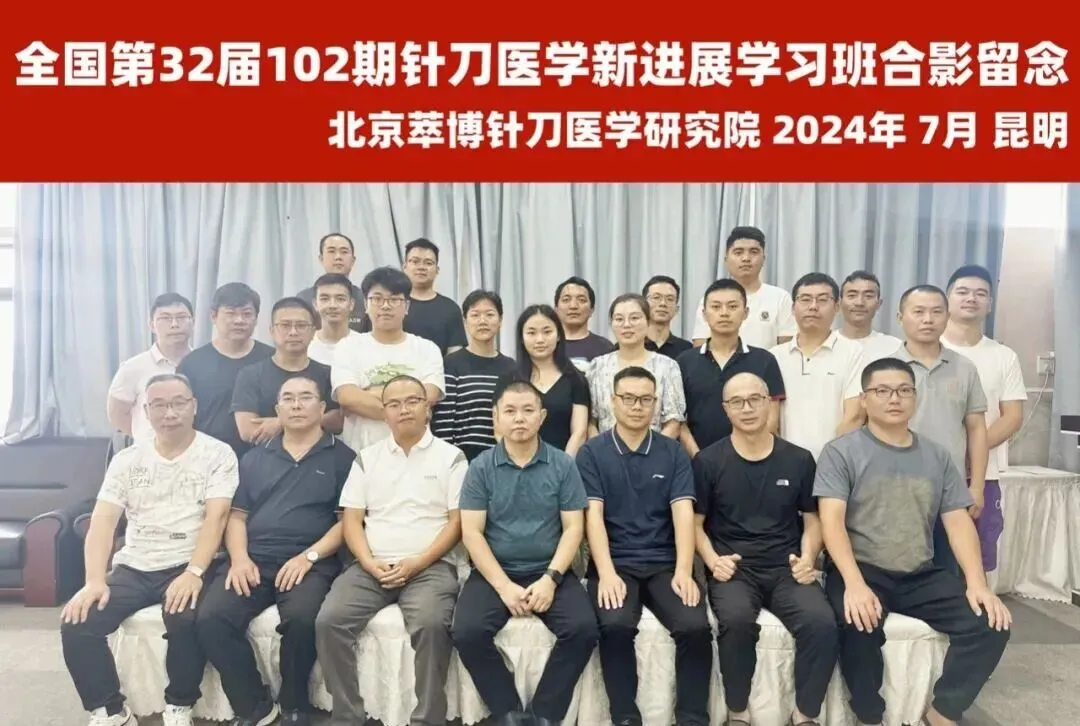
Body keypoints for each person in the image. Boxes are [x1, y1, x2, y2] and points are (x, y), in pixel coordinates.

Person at [815, 357, 1011, 726]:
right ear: (864, 399)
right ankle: (869, 716)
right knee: (858, 625)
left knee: (990, 623)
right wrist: (854, 584)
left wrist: (977, 584)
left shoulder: (937, 455)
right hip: (862, 569)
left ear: (915, 398)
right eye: (883, 391)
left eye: (904, 390)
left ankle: (942, 712)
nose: (894, 398)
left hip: (919, 572)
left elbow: (958, 523)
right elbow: (832, 523)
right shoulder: (840, 452)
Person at [62, 373, 237, 726]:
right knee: (78, 621)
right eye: (159, 405)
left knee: (184, 618)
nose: (169, 413)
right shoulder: (127, 460)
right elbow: (103, 522)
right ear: (145, 411)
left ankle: (179, 704)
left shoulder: (217, 454)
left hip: (190, 561)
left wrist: (194, 572)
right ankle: (109, 709)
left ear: (194, 406)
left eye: (178, 403)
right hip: (135, 564)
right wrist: (94, 580)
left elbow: (217, 518)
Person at [196, 376, 355, 726]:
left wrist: (309, 557)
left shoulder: (343, 458)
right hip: (254, 558)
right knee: (211, 618)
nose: (296, 405)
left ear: (322, 408)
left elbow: (348, 522)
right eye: (288, 398)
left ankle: (294, 702)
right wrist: (239, 559)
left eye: (306, 397)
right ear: (277, 409)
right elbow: (236, 517)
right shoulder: (254, 458)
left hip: (311, 561)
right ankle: (254, 705)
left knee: (302, 620)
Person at [316, 375, 467, 726]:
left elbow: (457, 523)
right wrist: (368, 562)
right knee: (329, 621)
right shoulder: (366, 459)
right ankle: (347, 716)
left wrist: (418, 562)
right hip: (372, 565)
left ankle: (428, 719)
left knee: (431, 624)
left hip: (430, 565)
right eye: (394, 404)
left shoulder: (451, 458)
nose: (404, 409)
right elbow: (352, 520)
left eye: (412, 401)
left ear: (428, 408)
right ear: (384, 413)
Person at [452, 380, 599, 726]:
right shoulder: (481, 467)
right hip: (495, 572)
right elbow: (471, 533)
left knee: (583, 630)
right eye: (510, 411)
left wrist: (550, 579)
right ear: (496, 418)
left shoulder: (562, 465)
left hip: (550, 570)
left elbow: (573, 529)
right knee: (467, 632)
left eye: (528, 410)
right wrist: (503, 586)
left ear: (542, 416)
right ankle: (508, 712)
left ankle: (544, 714)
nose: (519, 418)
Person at [693, 372, 836, 726]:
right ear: (726, 409)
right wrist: (712, 560)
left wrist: (808, 558)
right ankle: (737, 711)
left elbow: (813, 519)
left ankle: (805, 714)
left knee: (821, 623)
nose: (747, 408)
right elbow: (693, 524)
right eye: (737, 402)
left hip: (787, 567)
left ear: (770, 402)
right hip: (734, 569)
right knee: (736, 622)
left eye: (755, 399)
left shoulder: (799, 459)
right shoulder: (708, 461)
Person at [579, 367, 710, 726]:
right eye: (629, 398)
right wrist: (606, 573)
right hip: (616, 563)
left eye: (646, 399)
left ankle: (692, 718)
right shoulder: (592, 453)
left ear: (655, 403)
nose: (637, 406)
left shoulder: (673, 452)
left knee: (695, 627)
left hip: (665, 563)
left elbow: (683, 515)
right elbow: (593, 518)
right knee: (615, 625)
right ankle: (625, 716)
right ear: (613, 401)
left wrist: (684, 571)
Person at [894, 285, 988, 576]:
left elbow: (977, 429)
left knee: (950, 573)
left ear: (947, 317)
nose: (928, 319)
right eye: (918, 312)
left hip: (950, 492)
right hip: (896, 488)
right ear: (900, 317)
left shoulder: (965, 368)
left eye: (936, 312)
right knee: (900, 573)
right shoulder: (886, 369)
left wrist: (977, 486)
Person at [942, 264, 1027, 573]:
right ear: (948, 298)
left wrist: (972, 452)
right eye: (962, 292)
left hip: (982, 476)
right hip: (930, 471)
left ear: (989, 304)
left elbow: (1012, 416)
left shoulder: (1003, 356)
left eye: (980, 294)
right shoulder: (927, 349)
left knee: (978, 559)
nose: (971, 299)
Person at [332, 266, 445, 452]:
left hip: (416, 452)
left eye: (394, 300)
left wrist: (368, 393)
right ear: (366, 305)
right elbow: (348, 397)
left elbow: (429, 396)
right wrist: (408, 406)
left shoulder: (427, 349)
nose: (385, 306)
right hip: (361, 453)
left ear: (406, 307)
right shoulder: (347, 347)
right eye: (377, 299)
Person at [678, 279, 785, 458]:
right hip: (697, 461)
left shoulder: (764, 360)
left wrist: (749, 454)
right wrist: (699, 458)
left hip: (753, 460)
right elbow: (679, 420)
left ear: (746, 313)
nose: (724, 313)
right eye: (716, 307)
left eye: (733, 306)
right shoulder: (684, 361)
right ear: (704, 314)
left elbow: (771, 419)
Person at [770, 273, 865, 460]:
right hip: (783, 463)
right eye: (805, 299)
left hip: (836, 462)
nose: (813, 307)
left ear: (837, 307)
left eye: (822, 300)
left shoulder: (854, 352)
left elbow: (854, 416)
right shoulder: (774, 356)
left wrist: (832, 462)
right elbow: (770, 421)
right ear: (793, 308)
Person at [177, 282, 274, 458]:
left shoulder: (273, 359)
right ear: (213, 316)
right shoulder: (191, 364)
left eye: (247, 314)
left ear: (256, 318)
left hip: (265, 457)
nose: (239, 320)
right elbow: (181, 415)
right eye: (230, 313)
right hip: (208, 458)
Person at [231, 297, 342, 445]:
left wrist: (280, 423)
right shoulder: (250, 375)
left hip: (318, 455)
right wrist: (314, 420)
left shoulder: (328, 374)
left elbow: (338, 421)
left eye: (301, 325)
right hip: (266, 456)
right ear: (272, 331)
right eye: (285, 325)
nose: (293, 332)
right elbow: (248, 430)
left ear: (313, 331)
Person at [431, 289, 517, 460]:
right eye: (475, 315)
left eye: (489, 314)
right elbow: (444, 423)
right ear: (465, 321)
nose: (482, 321)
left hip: (502, 457)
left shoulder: (511, 367)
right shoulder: (450, 364)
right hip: (461, 459)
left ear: (500, 320)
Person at [587, 294, 686, 439]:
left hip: (655, 450)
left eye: (634, 318)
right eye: (619, 319)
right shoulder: (597, 366)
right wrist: (601, 449)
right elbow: (591, 421)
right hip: (604, 450)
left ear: (648, 322)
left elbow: (673, 422)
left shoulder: (667, 366)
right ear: (611, 324)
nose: (627, 325)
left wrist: (653, 450)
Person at [107, 293, 194, 445]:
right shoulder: (133, 368)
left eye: (181, 317)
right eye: (165, 318)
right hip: (149, 452)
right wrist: (144, 437)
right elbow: (117, 414)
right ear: (152, 325)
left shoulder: (204, 362)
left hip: (197, 451)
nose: (174, 324)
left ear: (193, 321)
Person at [691, 226, 796, 348]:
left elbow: (786, 349)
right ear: (726, 259)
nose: (746, 258)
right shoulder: (711, 299)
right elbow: (700, 348)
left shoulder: (780, 298)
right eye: (738, 252)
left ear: (763, 259)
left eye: (754, 252)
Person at [506, 304, 590, 455]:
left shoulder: (576, 379)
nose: (540, 340)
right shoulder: (509, 378)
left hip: (564, 463)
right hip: (517, 463)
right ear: (521, 338)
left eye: (547, 332)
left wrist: (563, 465)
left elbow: (579, 432)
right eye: (531, 333)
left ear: (558, 335)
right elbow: (501, 429)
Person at [401, 237, 469, 355]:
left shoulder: (450, 309)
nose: (421, 267)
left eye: (428, 263)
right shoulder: (393, 304)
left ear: (437, 270)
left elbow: (455, 356)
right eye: (415, 261)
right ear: (404, 267)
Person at [296, 233, 367, 332]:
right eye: (331, 251)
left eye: (344, 252)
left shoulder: (365, 299)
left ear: (353, 260)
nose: (338, 257)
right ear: (321, 259)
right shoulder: (303, 299)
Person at [837, 271, 903, 362]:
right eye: (852, 296)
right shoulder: (824, 343)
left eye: (868, 296)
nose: (859, 303)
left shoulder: (895, 348)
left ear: (879, 303)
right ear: (839, 302)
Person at [554, 276, 616, 370]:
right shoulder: (546, 345)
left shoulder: (605, 348)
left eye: (581, 300)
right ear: (556, 309)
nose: (573, 306)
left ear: (592, 309)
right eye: (566, 300)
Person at [307, 273, 363, 365]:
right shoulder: (305, 345)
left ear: (351, 304)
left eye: (340, 299)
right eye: (325, 299)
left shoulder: (364, 345)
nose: (332, 305)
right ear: (315, 304)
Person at [641, 275, 693, 359]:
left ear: (676, 309)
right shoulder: (631, 345)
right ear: (643, 305)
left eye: (669, 299)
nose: (663, 303)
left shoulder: (686, 349)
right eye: (656, 297)